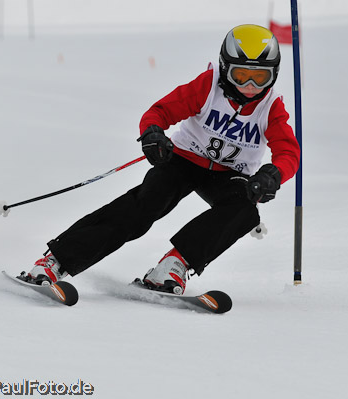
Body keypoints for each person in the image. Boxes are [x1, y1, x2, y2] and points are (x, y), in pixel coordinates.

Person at [25, 24, 300, 295]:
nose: (250, 87)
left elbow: (289, 152)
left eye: (260, 78)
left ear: (273, 75)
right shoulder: (207, 86)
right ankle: (56, 261)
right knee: (148, 202)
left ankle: (174, 265)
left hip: (230, 173)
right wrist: (153, 134)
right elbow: (159, 112)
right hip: (183, 159)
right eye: (241, 76)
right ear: (225, 69)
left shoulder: (271, 108)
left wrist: (272, 175)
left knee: (244, 211)